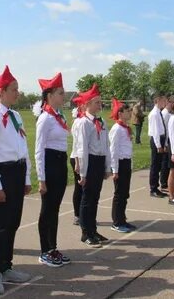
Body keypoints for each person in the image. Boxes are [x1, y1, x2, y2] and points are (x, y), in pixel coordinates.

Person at [0, 66, 33, 295]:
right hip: (3, 173)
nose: (17, 93)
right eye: (14, 89)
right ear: (1, 91)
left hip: (18, 172)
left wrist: (27, 176)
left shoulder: (16, 116)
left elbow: (23, 148)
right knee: (0, 225)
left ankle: (6, 266)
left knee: (13, 222)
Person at [34, 72, 71, 267]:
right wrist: (41, 178)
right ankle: (44, 250)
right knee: (47, 209)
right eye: (60, 93)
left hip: (60, 164)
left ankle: (53, 247)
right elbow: (38, 150)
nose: (63, 96)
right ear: (49, 96)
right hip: (49, 165)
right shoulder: (45, 119)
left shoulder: (58, 116)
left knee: (54, 209)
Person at [75, 83, 112, 248]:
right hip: (89, 161)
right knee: (87, 199)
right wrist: (82, 172)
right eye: (96, 102)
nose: (100, 104)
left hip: (98, 161)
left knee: (95, 198)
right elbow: (82, 148)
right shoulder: (84, 123)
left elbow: (106, 145)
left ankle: (93, 229)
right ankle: (86, 232)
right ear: (87, 104)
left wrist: (106, 167)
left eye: (100, 102)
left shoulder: (101, 121)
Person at [109, 98, 135, 233]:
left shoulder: (126, 128)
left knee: (125, 193)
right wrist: (115, 169)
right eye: (127, 111)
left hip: (126, 163)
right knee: (119, 194)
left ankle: (122, 219)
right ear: (120, 113)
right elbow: (113, 150)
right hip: (120, 163)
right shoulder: (117, 129)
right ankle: (117, 222)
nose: (130, 113)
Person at [147, 93, 168, 198]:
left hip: (161, 138)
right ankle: (153, 188)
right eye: (163, 100)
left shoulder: (159, 112)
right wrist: (159, 145)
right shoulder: (154, 114)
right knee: (155, 165)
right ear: (157, 101)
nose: (164, 102)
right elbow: (155, 131)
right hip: (157, 140)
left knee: (159, 164)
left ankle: (156, 187)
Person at [69, 96, 86, 226]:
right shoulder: (78, 122)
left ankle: (84, 213)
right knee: (79, 187)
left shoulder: (87, 121)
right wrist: (78, 162)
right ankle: (77, 214)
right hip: (77, 158)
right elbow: (76, 145)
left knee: (85, 188)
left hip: (85, 157)